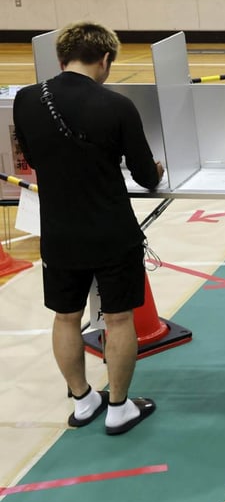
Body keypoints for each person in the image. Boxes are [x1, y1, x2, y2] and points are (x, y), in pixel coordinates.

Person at [13, 21, 163, 435]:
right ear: (106, 59)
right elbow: (146, 175)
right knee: (117, 320)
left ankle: (82, 401)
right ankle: (118, 407)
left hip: (59, 230)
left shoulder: (25, 100)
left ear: (62, 58)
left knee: (65, 317)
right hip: (111, 230)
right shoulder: (116, 106)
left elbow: (33, 159)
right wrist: (158, 170)